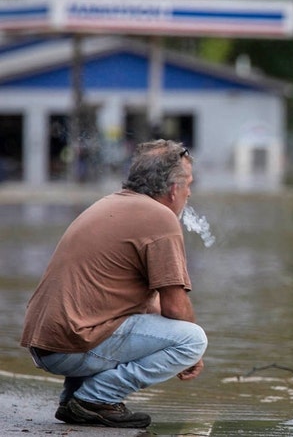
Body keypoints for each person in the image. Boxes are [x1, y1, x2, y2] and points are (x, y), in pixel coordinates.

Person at [20, 139, 208, 429]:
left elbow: (152, 303)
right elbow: (175, 306)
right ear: (173, 190)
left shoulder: (113, 203)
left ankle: (75, 400)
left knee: (136, 317)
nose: (189, 193)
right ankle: (95, 399)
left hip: (48, 343)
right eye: (188, 185)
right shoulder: (160, 218)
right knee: (192, 339)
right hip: (70, 345)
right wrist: (193, 355)